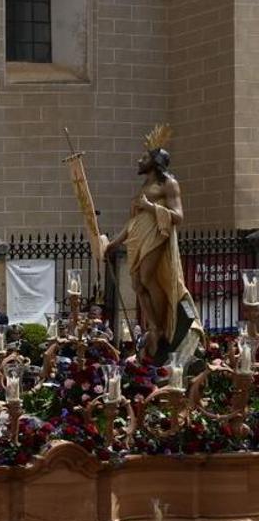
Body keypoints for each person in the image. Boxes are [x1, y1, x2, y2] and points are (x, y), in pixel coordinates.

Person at [103, 129, 204, 358]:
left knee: (148, 279)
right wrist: (114, 243)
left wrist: (151, 207)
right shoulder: (143, 187)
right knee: (138, 285)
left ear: (155, 162)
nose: (140, 160)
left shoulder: (169, 183)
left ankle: (160, 328)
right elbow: (133, 222)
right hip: (138, 238)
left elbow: (178, 216)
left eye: (145, 158)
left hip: (156, 237)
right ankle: (153, 326)